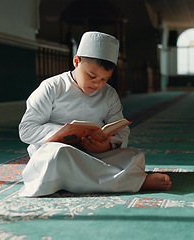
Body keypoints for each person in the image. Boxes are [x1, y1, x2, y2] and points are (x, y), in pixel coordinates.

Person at [18, 31, 171, 197]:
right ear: (77, 61)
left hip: (94, 154)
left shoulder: (109, 94)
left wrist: (107, 145)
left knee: (134, 155)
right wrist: (63, 134)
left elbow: (121, 131)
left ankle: (85, 181)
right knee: (59, 155)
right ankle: (134, 182)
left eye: (105, 79)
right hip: (57, 154)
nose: (97, 84)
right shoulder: (51, 87)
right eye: (92, 75)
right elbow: (27, 129)